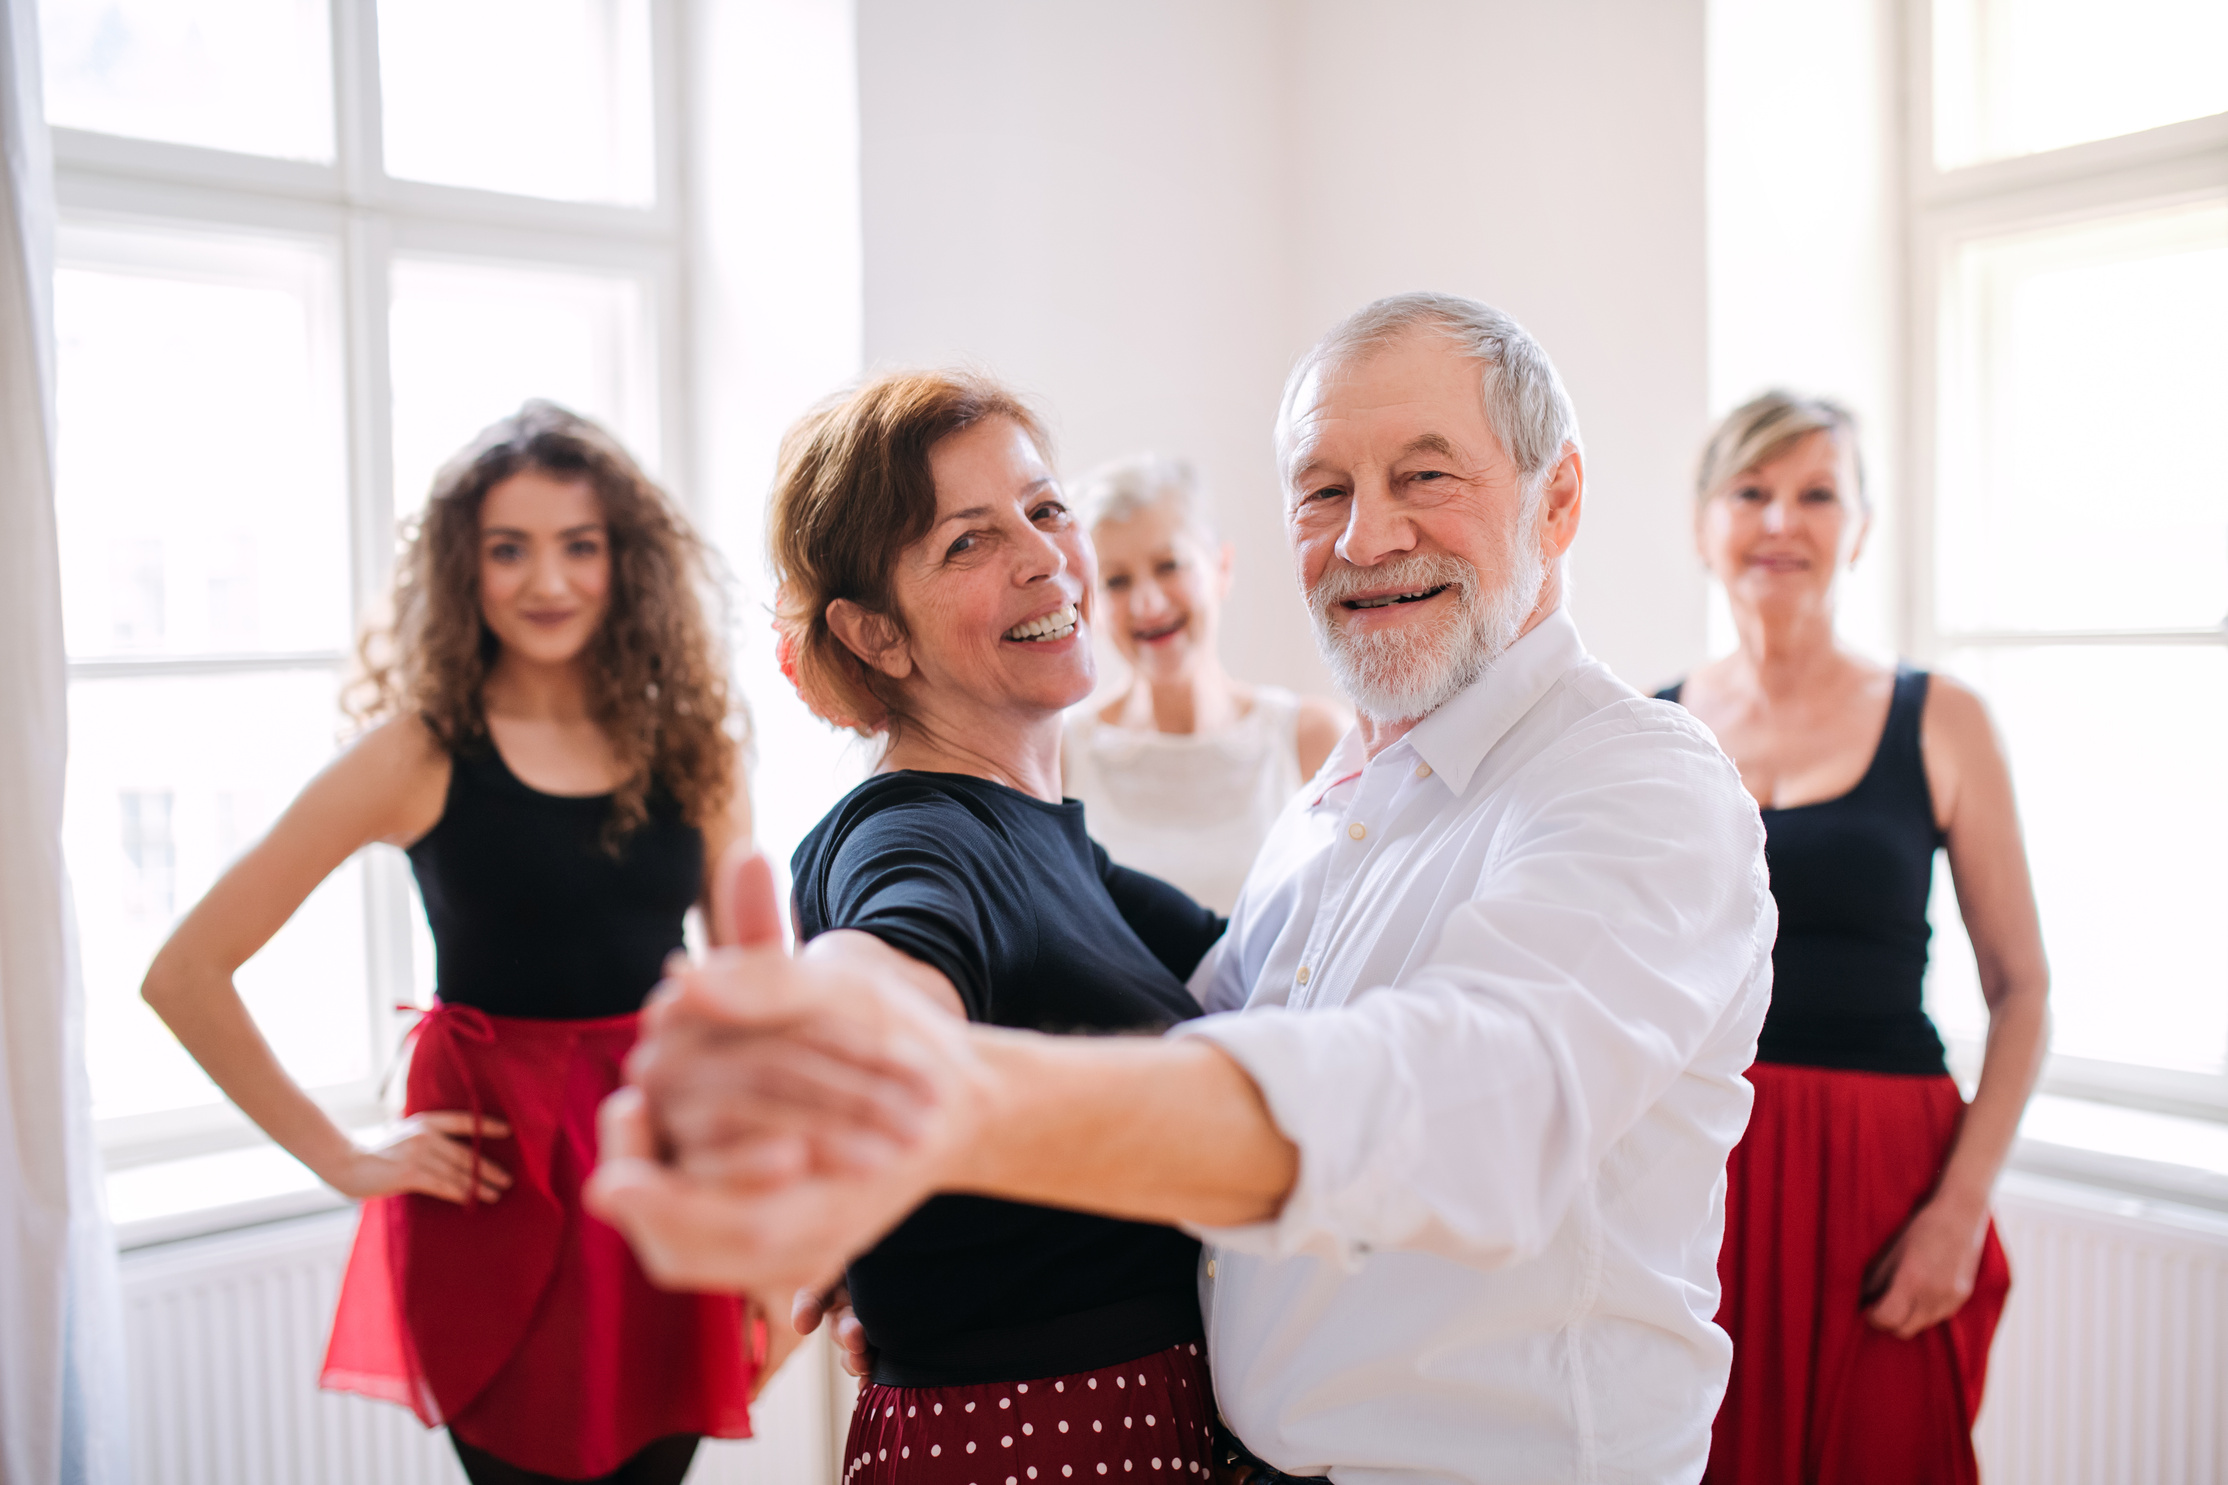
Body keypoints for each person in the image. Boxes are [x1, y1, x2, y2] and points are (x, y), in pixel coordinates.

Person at [591, 292, 1781, 1483]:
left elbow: (1461, 1098)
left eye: (1425, 477)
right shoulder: (1338, 805)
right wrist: (923, 1210)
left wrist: (932, 1112)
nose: (1366, 538)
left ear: (1555, 498)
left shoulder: (1636, 782)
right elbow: (1075, 1001)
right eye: (1323, 491)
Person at [141, 402, 772, 1485]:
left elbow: (761, 998)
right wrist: (339, 1156)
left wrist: (774, 1232)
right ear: (462, 567)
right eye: (508, 549)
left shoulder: (692, 745)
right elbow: (185, 973)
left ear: (626, 562)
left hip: (657, 1158)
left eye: (580, 546)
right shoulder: (417, 752)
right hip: (495, 1188)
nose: (549, 581)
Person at [750, 371, 1226, 1478]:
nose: (1042, 554)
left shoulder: (1057, 845)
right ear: (875, 634)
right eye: (967, 542)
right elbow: (886, 964)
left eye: (1045, 508)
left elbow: (1286, 967)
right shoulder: (913, 834)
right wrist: (838, 1044)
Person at [1658, 392, 2048, 1485]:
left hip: (1886, 1176)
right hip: (1698, 1171)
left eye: (1815, 493)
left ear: (1859, 527)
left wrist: (1958, 1210)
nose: (1780, 520)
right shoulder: (1647, 732)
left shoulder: (1942, 718)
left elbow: (2021, 989)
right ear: (1702, 525)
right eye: (1750, 492)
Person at [1062, 455, 1347, 911]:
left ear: (1222, 568)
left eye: (1169, 565)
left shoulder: (1315, 740)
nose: (1147, 603)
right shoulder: (1061, 757)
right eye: (1116, 581)